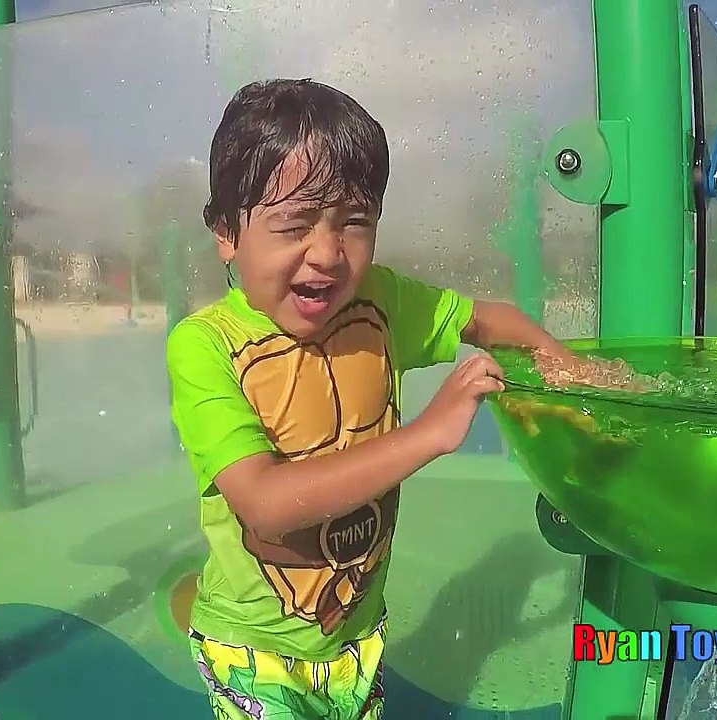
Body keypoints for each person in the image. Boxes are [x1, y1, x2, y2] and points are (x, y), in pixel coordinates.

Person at [166, 78, 624, 719]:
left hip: (357, 636)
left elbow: (486, 318)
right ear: (226, 233)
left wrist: (567, 365)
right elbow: (266, 506)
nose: (326, 253)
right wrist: (428, 433)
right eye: (294, 223)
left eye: (354, 223)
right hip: (252, 648)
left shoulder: (377, 303)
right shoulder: (205, 346)